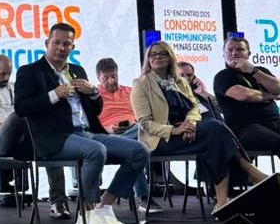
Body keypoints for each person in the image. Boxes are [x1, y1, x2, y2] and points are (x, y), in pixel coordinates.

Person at [13, 23, 149, 224]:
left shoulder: (77, 71)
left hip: (87, 133)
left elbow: (95, 110)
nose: (61, 48)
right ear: (47, 43)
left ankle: (103, 206)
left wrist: (93, 93)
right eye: (57, 43)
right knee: (96, 151)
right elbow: (21, 108)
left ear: (73, 47)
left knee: (139, 150)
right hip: (54, 138)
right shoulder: (30, 72)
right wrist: (54, 94)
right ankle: (86, 212)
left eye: (66, 44)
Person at [133, 40, 267, 210]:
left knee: (215, 140)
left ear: (170, 57)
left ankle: (223, 201)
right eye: (153, 54)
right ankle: (247, 173)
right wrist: (175, 130)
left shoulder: (179, 81)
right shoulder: (141, 84)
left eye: (162, 53)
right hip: (161, 139)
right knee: (215, 128)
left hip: (187, 131)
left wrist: (190, 124)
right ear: (148, 59)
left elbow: (195, 107)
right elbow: (144, 123)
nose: (158, 57)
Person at [0, 54, 69, 219]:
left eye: (9, 73)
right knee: (18, 115)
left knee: (50, 146)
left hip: (23, 140)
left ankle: (58, 202)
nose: (6, 77)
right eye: (2, 73)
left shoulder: (14, 87)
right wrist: (2, 125)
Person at [94, 57, 158, 214]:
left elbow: (145, 114)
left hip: (136, 130)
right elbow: (91, 126)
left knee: (140, 134)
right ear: (98, 78)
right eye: (106, 78)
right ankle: (144, 197)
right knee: (136, 148)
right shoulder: (94, 96)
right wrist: (109, 130)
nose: (111, 81)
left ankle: (143, 197)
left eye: (114, 76)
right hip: (109, 137)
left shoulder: (131, 91)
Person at [213, 36, 280, 157]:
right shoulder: (223, 76)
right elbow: (243, 95)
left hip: (273, 121)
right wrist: (271, 95)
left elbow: (278, 88)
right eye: (230, 50)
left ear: (248, 54)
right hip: (244, 128)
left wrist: (254, 71)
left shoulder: (261, 71)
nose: (234, 53)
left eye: (239, 49)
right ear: (223, 54)